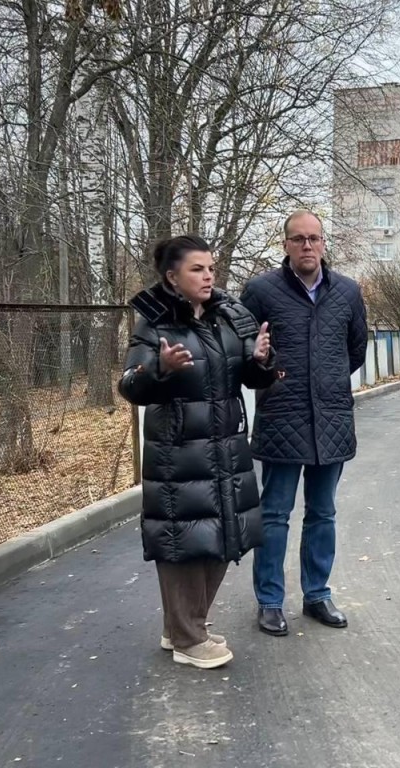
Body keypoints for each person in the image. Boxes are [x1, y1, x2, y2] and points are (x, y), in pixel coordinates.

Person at [118, 235, 276, 669]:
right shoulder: (155, 322)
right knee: (182, 542)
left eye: (210, 268)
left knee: (223, 537)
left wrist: (260, 359)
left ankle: (183, 626)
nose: (208, 276)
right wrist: (160, 369)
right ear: (172, 277)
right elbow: (130, 386)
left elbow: (250, 377)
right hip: (178, 453)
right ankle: (190, 638)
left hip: (225, 446)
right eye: (197, 269)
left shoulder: (227, 317)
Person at [240, 210, 368, 636]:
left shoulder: (347, 292)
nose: (307, 246)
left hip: (331, 418)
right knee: (274, 514)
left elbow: (355, 351)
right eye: (299, 239)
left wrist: (325, 381)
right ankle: (270, 601)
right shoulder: (260, 291)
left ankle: (317, 595)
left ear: (324, 243)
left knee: (323, 513)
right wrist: (272, 376)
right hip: (282, 417)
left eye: (314, 238)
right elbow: (244, 352)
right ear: (286, 245)